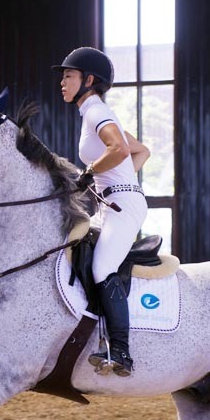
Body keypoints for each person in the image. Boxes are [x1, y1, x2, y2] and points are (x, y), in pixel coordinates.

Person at [53, 46, 150, 377]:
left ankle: (121, 351)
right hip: (114, 202)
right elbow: (141, 151)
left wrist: (91, 173)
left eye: (69, 76)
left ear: (88, 80)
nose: (62, 82)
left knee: (102, 267)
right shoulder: (91, 112)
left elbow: (120, 149)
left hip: (123, 206)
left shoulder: (95, 111)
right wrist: (118, 182)